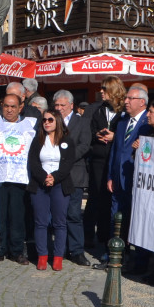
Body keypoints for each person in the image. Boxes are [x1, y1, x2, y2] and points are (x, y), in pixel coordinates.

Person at [27, 110, 77, 272]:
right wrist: (44, 177)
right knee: (40, 222)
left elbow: (68, 163)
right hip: (40, 184)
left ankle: (57, 257)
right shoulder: (37, 140)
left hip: (60, 184)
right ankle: (42, 256)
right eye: (44, 120)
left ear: (57, 121)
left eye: (50, 119)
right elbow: (33, 162)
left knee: (59, 223)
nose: (47, 122)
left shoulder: (66, 141)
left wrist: (54, 177)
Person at [0, 92, 34, 266]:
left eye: (13, 106)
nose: (9, 110)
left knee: (17, 216)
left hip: (19, 177)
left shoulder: (30, 125)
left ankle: (16, 251)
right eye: (6, 106)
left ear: (20, 108)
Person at [107, 84, 152, 243]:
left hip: (134, 176)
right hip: (117, 177)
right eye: (126, 98)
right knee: (115, 214)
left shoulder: (148, 123)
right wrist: (110, 176)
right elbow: (115, 150)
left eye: (130, 98)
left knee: (132, 216)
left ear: (142, 102)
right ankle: (113, 250)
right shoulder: (122, 122)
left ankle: (130, 251)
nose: (126, 101)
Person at [53, 90, 92, 267]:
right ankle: (59, 249)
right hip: (54, 173)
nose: (59, 108)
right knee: (57, 214)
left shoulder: (82, 122)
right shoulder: (50, 120)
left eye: (62, 105)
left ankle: (76, 250)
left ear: (71, 105)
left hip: (74, 173)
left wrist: (67, 158)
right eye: (57, 105)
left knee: (74, 214)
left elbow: (85, 145)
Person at [86, 77, 125, 254]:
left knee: (112, 200)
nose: (101, 91)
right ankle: (99, 239)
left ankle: (113, 238)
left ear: (113, 91)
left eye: (104, 89)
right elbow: (91, 130)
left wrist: (114, 136)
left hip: (114, 159)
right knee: (97, 199)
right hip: (99, 160)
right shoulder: (98, 110)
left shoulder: (124, 111)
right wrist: (97, 135)